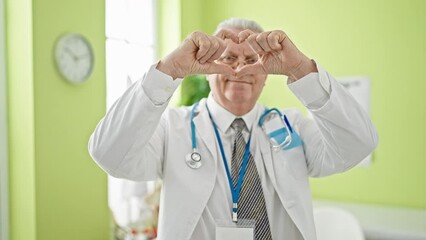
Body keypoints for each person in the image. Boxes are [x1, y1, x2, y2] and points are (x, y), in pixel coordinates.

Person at [89, 18, 378, 240]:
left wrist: (301, 69)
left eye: (252, 60)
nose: (240, 69)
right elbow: (109, 154)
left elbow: (359, 143)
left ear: (267, 74)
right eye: (228, 59)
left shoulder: (292, 128)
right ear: (208, 69)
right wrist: (170, 69)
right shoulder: (173, 129)